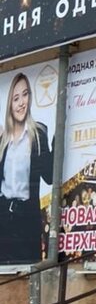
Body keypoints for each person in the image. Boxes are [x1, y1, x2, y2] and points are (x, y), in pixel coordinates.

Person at [0, 72, 54, 263]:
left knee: (28, 272)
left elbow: (49, 176)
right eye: (16, 98)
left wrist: (58, 141)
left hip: (27, 219)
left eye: (25, 95)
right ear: (9, 104)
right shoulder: (3, 140)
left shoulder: (38, 133)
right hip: (3, 218)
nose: (21, 102)